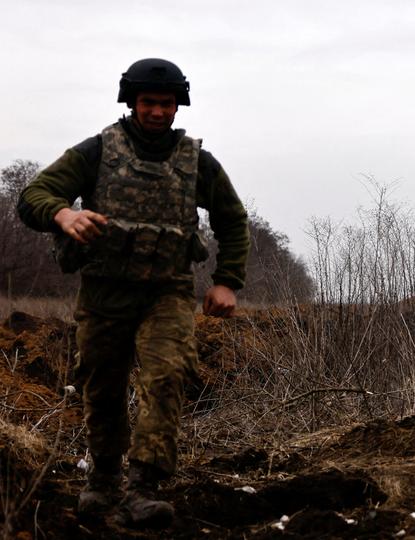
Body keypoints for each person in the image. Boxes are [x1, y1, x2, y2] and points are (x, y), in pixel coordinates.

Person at [17, 58, 250, 528]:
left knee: (166, 377)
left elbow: (232, 220)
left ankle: (144, 486)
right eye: (149, 102)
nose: (159, 112)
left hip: (167, 293)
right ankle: (103, 478)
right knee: (101, 388)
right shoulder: (97, 152)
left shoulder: (197, 162)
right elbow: (34, 196)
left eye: (167, 104)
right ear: (132, 102)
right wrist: (63, 215)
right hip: (104, 295)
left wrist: (227, 280)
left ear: (178, 105)